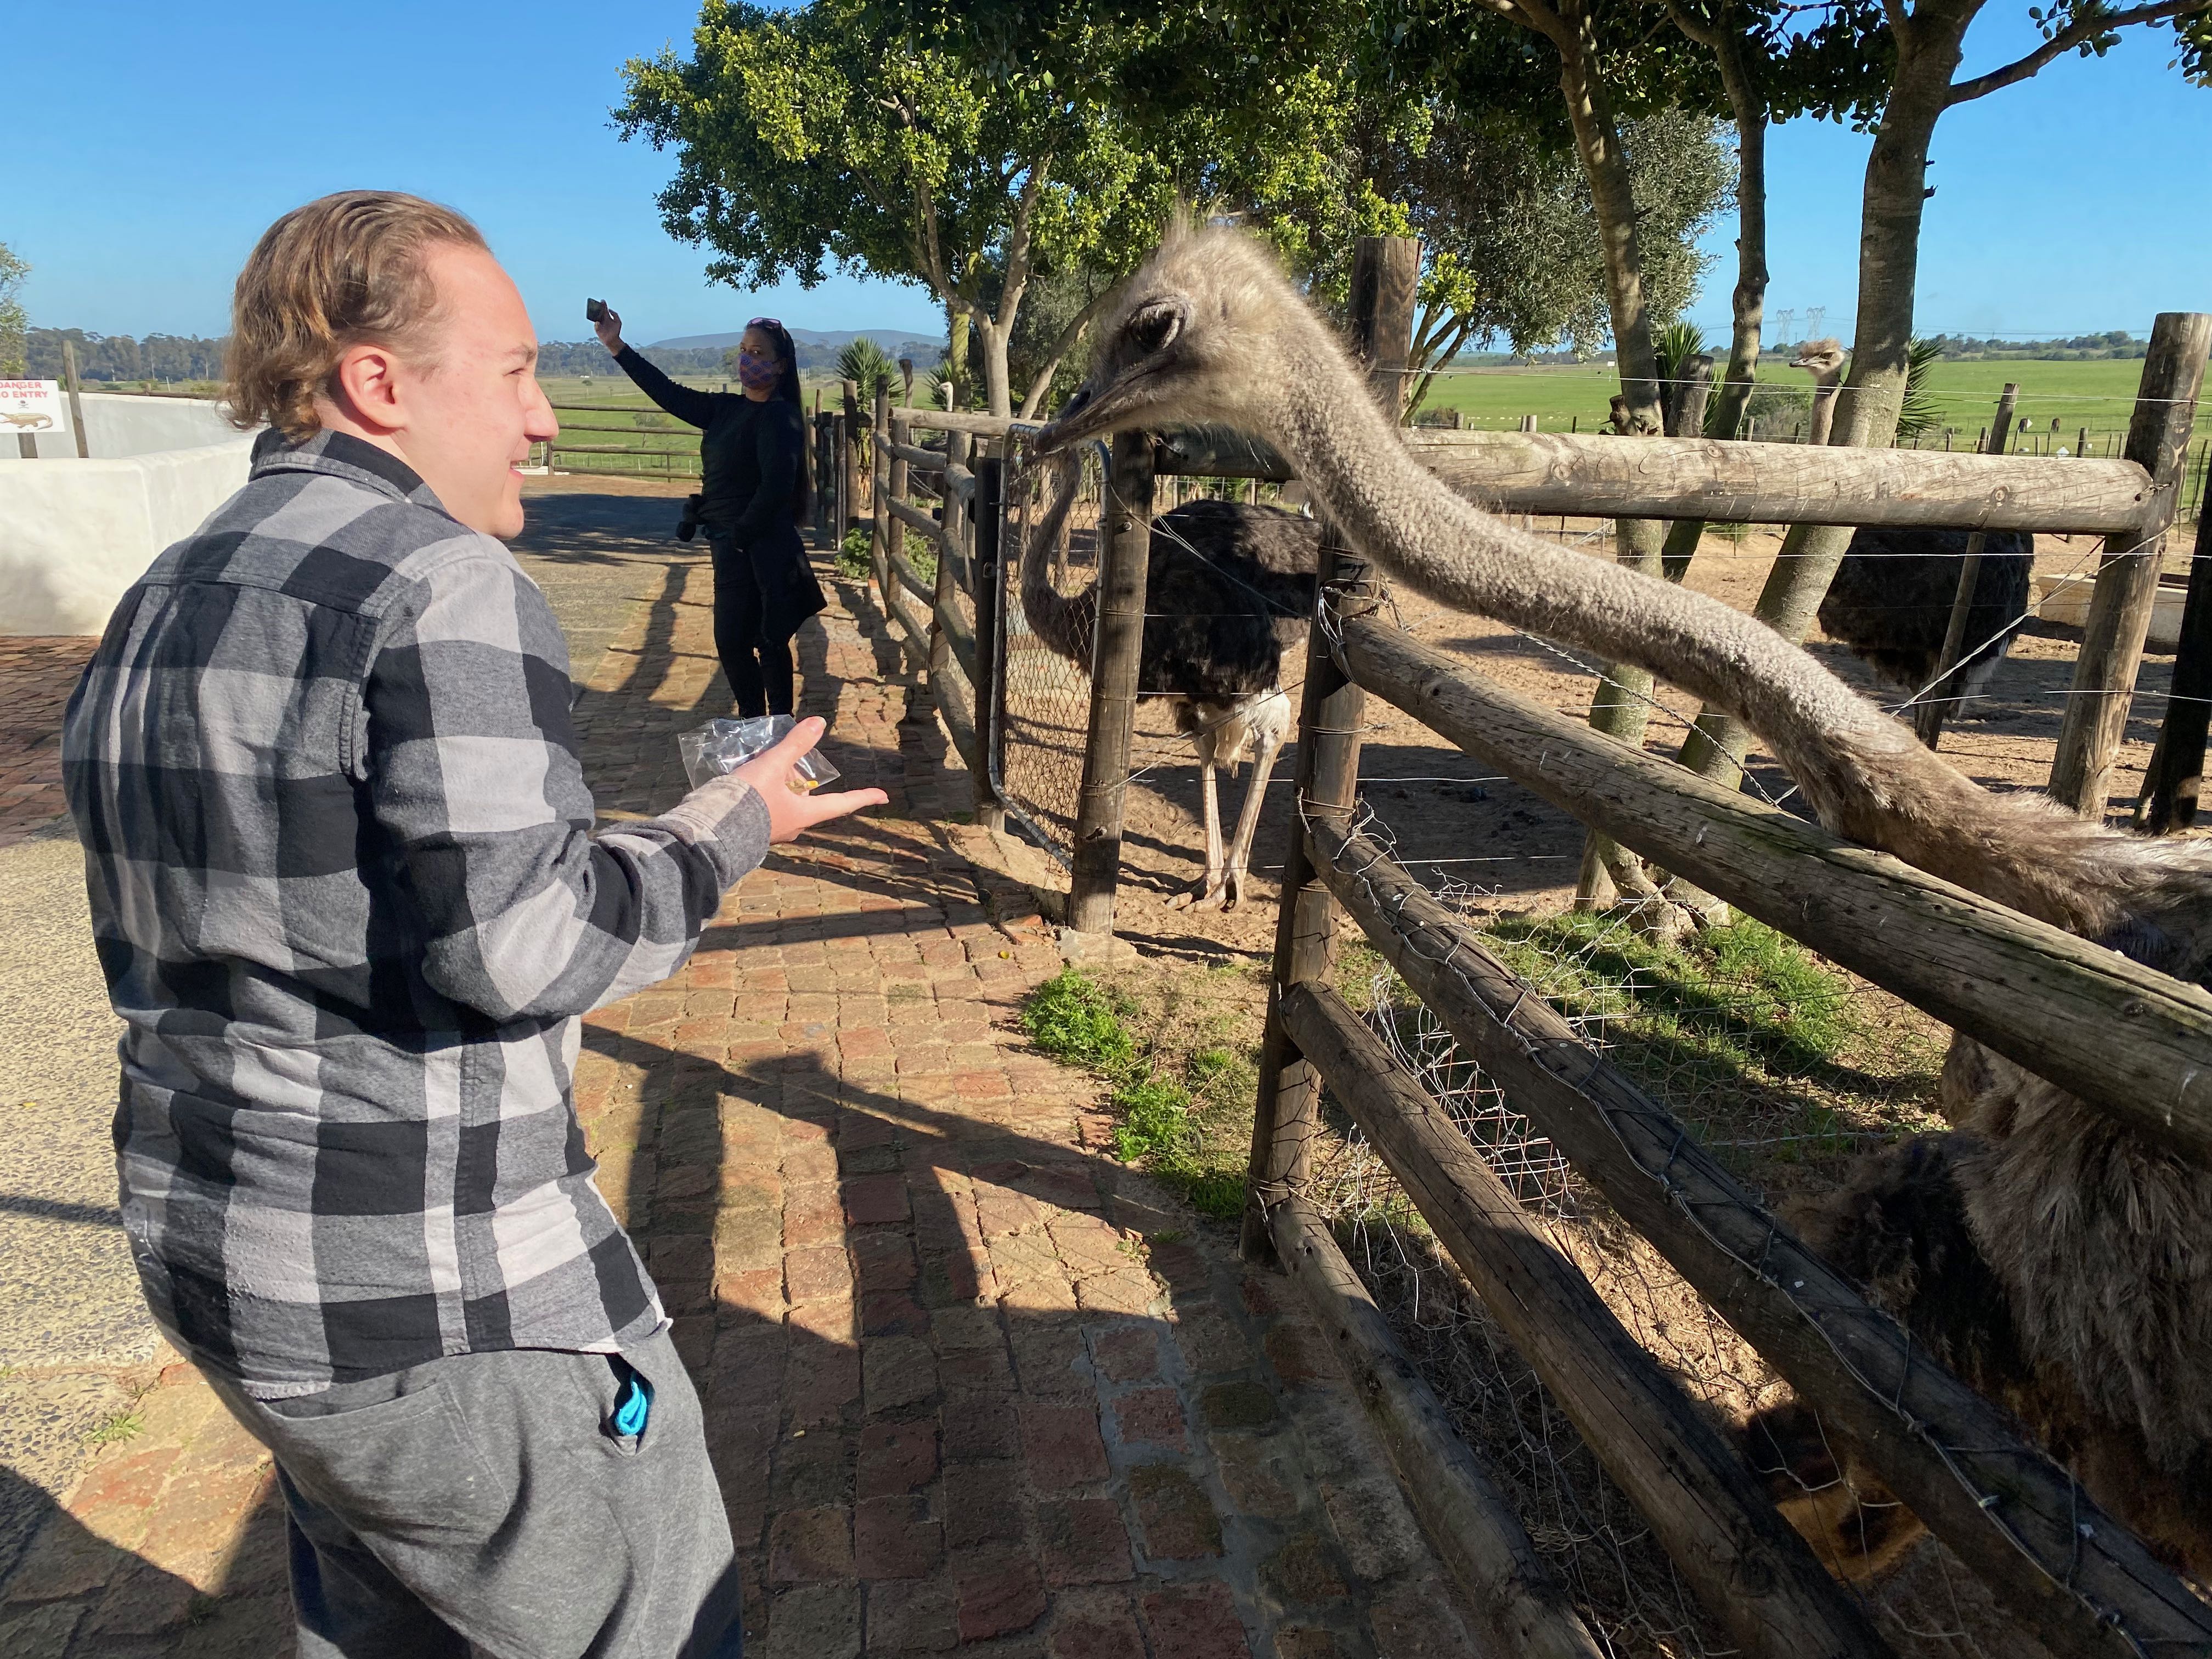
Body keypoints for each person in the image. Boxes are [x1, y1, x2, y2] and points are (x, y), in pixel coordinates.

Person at [60, 190, 886, 1658]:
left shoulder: (163, 592)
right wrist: (731, 825)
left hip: (230, 1276)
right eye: (511, 373)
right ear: (379, 382)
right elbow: (527, 946)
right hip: (439, 1300)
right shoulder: (439, 582)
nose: (543, 418)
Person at [594, 306, 824, 718]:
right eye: (744, 350)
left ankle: (778, 727)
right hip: (729, 543)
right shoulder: (725, 410)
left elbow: (776, 486)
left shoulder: (780, 418)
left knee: (766, 639)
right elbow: (667, 392)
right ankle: (757, 725)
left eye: (758, 353)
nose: (747, 359)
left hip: (762, 546)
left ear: (780, 365)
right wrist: (616, 346)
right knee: (736, 641)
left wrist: (741, 536)